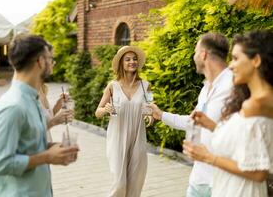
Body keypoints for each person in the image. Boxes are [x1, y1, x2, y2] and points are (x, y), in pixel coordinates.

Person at [0, 34, 79, 197]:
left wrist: (55, 149)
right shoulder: (13, 106)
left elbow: (27, 144)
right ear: (40, 61)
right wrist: (47, 157)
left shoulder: (32, 99)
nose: (52, 63)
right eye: (50, 59)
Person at [183, 30, 273, 197]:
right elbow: (245, 142)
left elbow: (258, 172)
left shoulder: (257, 104)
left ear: (256, 61)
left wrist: (208, 157)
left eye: (236, 58)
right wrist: (211, 125)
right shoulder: (257, 100)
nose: (230, 65)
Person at [149, 33, 233, 197]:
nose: (194, 56)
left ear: (203, 54)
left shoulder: (234, 86)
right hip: (198, 179)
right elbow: (194, 121)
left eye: (195, 52)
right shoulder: (206, 89)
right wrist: (161, 115)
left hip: (222, 182)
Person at [95, 46, 151, 197]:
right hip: (117, 139)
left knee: (135, 183)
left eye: (134, 59)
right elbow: (97, 112)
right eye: (128, 59)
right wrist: (105, 109)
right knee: (119, 185)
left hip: (138, 139)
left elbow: (150, 110)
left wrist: (150, 117)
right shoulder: (112, 86)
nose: (132, 62)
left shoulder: (146, 86)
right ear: (121, 63)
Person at [38, 45, 73, 142]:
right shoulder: (30, 94)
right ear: (40, 62)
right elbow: (27, 133)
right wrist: (54, 122)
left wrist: (59, 103)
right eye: (51, 59)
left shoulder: (42, 88)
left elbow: (48, 116)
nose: (54, 63)